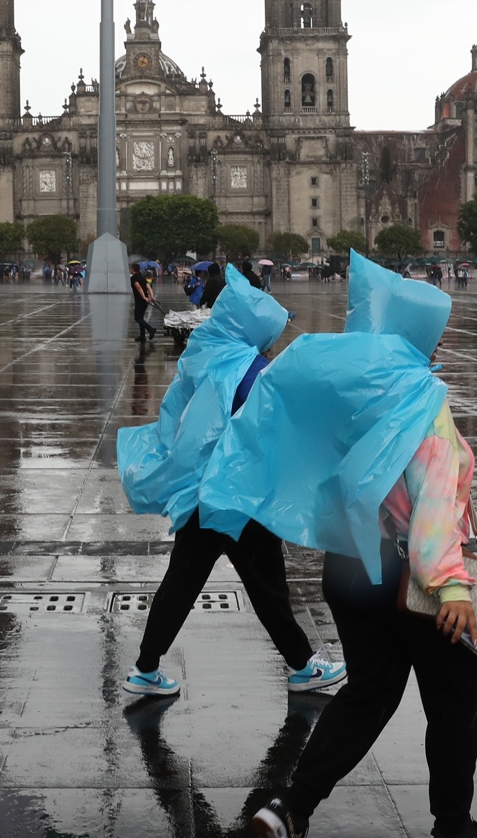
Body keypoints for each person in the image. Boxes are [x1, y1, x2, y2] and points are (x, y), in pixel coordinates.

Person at [211, 254, 477, 838]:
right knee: (454, 697)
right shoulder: (421, 404)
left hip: (349, 567)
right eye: (436, 330)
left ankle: (290, 807)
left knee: (369, 694)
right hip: (408, 577)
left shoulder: (353, 394)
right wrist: (452, 587)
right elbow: (432, 507)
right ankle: (453, 834)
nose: (442, 341)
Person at [118, 267, 345, 698]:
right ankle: (301, 666)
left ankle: (146, 669)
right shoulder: (247, 367)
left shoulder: (206, 351)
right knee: (266, 587)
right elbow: (275, 420)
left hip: (205, 492)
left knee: (184, 584)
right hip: (237, 497)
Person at [131, 260, 157, 345]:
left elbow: (138, 287)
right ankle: (142, 336)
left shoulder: (134, 278)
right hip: (145, 301)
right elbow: (148, 287)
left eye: (131, 268)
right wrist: (151, 296)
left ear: (133, 269)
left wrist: (144, 297)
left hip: (140, 300)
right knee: (141, 318)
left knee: (137, 318)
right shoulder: (142, 277)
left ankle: (150, 329)